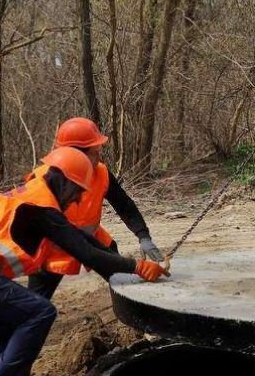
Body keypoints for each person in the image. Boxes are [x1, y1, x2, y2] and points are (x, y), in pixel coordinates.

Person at [0, 147, 167, 376]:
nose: (76, 201)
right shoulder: (40, 208)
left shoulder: (39, 199)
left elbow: (82, 240)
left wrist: (129, 264)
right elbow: (86, 252)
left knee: (14, 326)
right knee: (40, 313)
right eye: (77, 193)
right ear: (65, 182)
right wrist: (137, 267)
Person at [28, 117, 163, 300]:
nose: (99, 156)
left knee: (123, 282)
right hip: (51, 250)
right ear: (77, 154)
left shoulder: (101, 173)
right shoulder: (43, 179)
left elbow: (124, 206)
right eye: (95, 151)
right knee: (35, 305)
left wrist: (143, 236)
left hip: (93, 241)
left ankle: (131, 315)